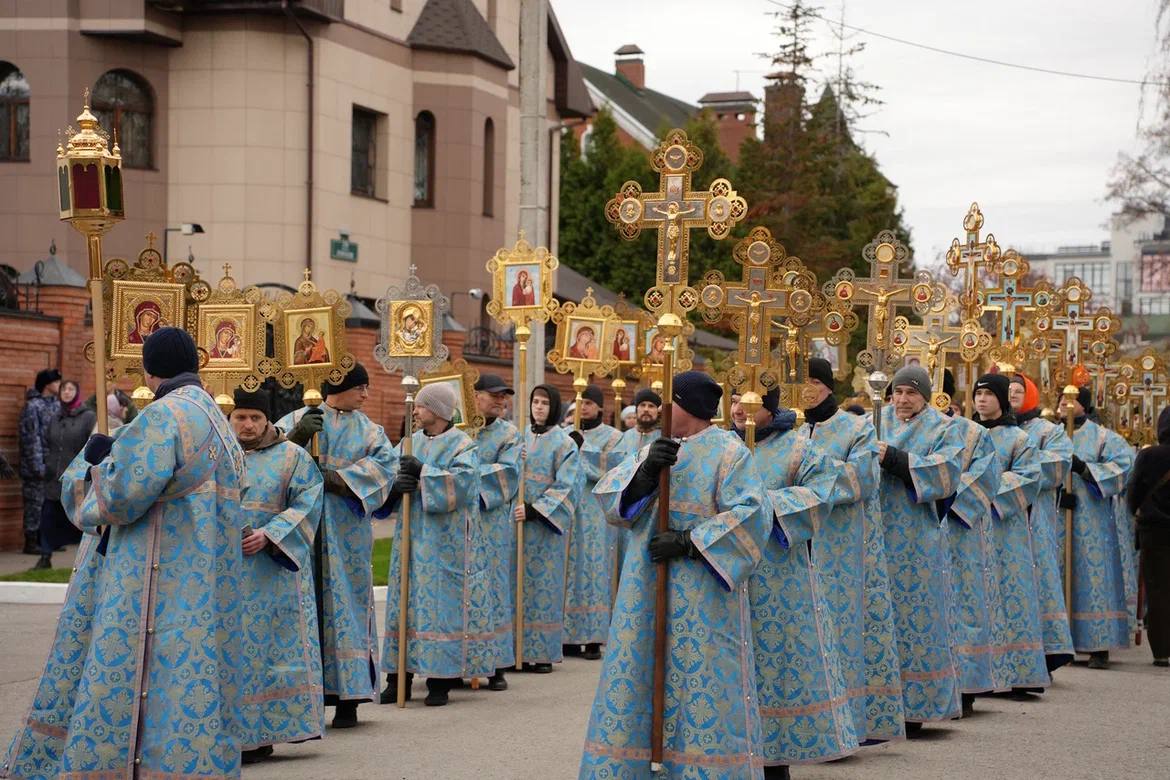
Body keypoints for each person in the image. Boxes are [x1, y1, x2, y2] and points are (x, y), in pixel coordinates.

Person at [29, 327, 247, 776]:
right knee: (192, 674)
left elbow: (120, 498)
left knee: (147, 673)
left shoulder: (163, 416)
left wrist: (93, 465)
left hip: (156, 572)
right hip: (207, 571)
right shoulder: (215, 415)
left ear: (149, 368)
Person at [580, 371, 770, 778]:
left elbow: (753, 516)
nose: (663, 409)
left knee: (700, 683)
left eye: (671, 401)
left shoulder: (729, 453)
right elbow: (611, 502)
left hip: (703, 593)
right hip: (645, 587)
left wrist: (688, 541)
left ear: (689, 407)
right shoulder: (655, 447)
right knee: (638, 674)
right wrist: (646, 474)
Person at [737, 387, 856, 775]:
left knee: (776, 668)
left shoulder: (799, 449)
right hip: (726, 577)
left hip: (779, 578)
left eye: (749, 401)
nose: (739, 408)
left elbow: (824, 493)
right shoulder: (722, 446)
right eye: (734, 399)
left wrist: (762, 509)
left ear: (769, 408)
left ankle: (776, 760)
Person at [276, 362, 398, 727]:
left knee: (347, 607)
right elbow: (266, 462)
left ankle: (350, 699)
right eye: (360, 386)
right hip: (303, 533)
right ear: (339, 385)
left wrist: (333, 478)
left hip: (346, 538)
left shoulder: (370, 431)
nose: (365, 393)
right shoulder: (297, 418)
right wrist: (296, 439)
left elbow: (384, 470)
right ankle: (308, 697)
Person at [801, 357, 905, 743]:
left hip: (839, 547)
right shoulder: (786, 428)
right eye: (800, 381)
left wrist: (806, 471)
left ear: (830, 386)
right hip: (792, 545)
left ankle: (848, 723)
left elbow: (861, 478)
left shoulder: (856, 427)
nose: (807, 388)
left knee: (841, 630)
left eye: (814, 380)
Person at [381, 383, 493, 707]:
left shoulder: (463, 445)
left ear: (440, 411)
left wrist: (424, 473)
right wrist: (395, 487)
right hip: (410, 540)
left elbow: (466, 486)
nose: (415, 411)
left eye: (422, 406)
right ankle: (396, 677)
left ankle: (439, 680)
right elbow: (388, 477)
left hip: (446, 544)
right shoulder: (408, 443)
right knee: (403, 604)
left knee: (440, 610)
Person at [230, 387, 325, 764]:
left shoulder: (293, 457)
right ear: (230, 418)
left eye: (255, 418)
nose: (248, 425)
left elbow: (309, 501)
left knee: (269, 654)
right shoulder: (217, 455)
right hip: (225, 573)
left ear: (268, 420)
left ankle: (266, 733)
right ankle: (234, 735)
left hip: (273, 574)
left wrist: (269, 534)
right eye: (241, 417)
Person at [877, 366, 965, 730]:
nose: (902, 399)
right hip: (875, 533)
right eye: (897, 392)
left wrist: (896, 460)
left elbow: (947, 473)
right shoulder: (874, 418)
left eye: (911, 393)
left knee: (915, 617)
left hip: (916, 539)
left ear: (925, 396)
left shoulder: (943, 428)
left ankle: (917, 707)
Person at [972, 373, 1048, 693]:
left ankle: (1018, 674)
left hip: (1004, 528)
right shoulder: (966, 433)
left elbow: (1029, 478)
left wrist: (983, 490)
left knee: (1010, 593)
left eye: (989, 394)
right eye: (978, 394)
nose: (982, 400)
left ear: (1002, 399)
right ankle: (980, 672)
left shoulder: (1019, 439)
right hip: (971, 525)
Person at [1058, 387, 1136, 669]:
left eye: (1072, 399)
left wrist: (1085, 470)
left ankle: (1098, 645)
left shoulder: (1103, 437)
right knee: (1058, 574)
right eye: (1062, 399)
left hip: (1092, 519)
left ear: (1084, 405)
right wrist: (1056, 493)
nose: (1065, 404)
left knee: (1093, 577)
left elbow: (1124, 468)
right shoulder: (1051, 436)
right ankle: (1060, 644)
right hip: (1058, 517)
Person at [938, 369, 1002, 713]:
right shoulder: (897, 428)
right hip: (919, 531)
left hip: (959, 529)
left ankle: (966, 682)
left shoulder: (974, 434)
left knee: (963, 600)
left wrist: (943, 499)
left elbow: (985, 479)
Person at [512, 384, 580, 672]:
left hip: (543, 526)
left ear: (554, 407)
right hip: (516, 523)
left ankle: (540, 652)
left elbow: (568, 485)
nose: (539, 407)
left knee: (542, 587)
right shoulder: (519, 439)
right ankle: (515, 649)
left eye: (544, 403)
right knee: (515, 586)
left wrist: (536, 510)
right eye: (535, 402)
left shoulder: (564, 443)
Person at [1010, 373, 1076, 671]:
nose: (1012, 395)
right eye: (1007, 390)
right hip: (1000, 520)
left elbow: (1059, 464)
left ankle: (1045, 651)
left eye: (1018, 390)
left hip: (1035, 519)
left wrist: (1019, 463)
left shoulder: (1048, 431)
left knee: (1038, 579)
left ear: (1031, 394)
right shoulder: (986, 429)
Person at [467, 373, 520, 692]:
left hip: (492, 523)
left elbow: (509, 473)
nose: (502, 401)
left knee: (492, 587)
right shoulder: (458, 431)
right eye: (495, 395)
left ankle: (497, 663)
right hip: (457, 524)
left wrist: (461, 479)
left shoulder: (509, 434)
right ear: (475, 396)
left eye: (505, 396)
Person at [564, 385, 623, 661]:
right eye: (579, 403)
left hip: (596, 513)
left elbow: (614, 468)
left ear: (600, 407)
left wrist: (581, 448)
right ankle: (568, 637)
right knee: (569, 569)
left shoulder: (614, 437)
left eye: (588, 403)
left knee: (592, 570)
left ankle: (592, 637)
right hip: (570, 508)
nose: (583, 408)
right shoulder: (565, 434)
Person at [34, 380, 96, 570]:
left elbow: (92, 446)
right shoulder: (55, 417)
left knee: (80, 520)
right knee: (48, 517)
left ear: (77, 392)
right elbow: (46, 442)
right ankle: (45, 556)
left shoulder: (88, 417)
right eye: (64, 389)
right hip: (53, 477)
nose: (67, 393)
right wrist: (46, 463)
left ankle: (83, 562)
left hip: (76, 481)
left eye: (71, 389)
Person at [1127, 406, 1170, 667]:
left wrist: (1137, 513)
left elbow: (1134, 490)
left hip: (1154, 530)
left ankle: (1162, 651)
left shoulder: (1149, 455)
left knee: (1158, 590)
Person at [610, 388, 662, 598]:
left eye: (651, 406)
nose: (646, 410)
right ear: (636, 408)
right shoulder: (624, 438)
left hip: (650, 512)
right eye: (643, 406)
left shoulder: (663, 438)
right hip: (624, 511)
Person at [18, 368, 60, 555]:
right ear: (47, 384)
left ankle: (48, 540)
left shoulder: (57, 405)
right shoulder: (33, 406)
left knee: (50, 504)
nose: (60, 385)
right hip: (37, 466)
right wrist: (38, 467)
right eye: (56, 382)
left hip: (53, 465)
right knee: (34, 504)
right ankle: (31, 541)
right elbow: (30, 438)